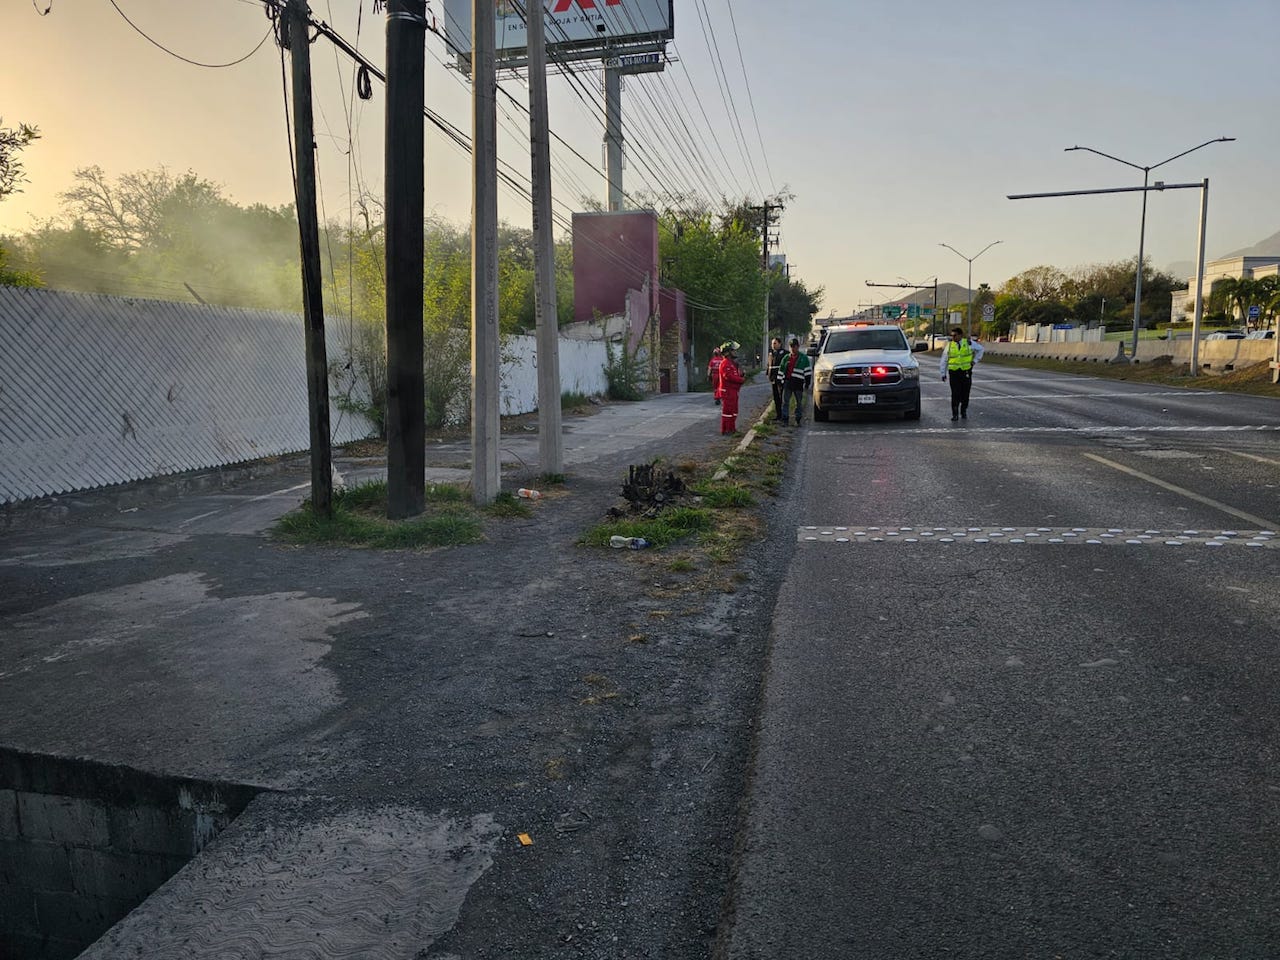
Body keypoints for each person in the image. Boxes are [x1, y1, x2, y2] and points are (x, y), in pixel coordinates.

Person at [939, 325, 985, 420]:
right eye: (952, 336)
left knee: (965, 393)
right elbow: (944, 360)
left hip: (966, 372)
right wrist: (943, 373)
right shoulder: (950, 345)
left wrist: (975, 361)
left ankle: (963, 410)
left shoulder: (968, 343)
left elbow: (980, 350)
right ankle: (955, 414)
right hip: (954, 373)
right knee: (955, 393)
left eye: (955, 335)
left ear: (960, 335)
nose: (953, 337)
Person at [777, 337, 811, 426]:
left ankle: (798, 419)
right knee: (785, 402)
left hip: (798, 383)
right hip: (788, 383)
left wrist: (807, 383)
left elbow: (807, 372)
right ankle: (785, 419)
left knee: (798, 403)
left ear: (798, 347)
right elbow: (781, 370)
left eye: (794, 346)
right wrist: (779, 382)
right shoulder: (786, 358)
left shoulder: (804, 358)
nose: (792, 348)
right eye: (791, 346)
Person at [718, 345, 745, 434]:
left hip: (732, 391)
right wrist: (740, 380)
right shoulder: (725, 363)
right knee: (728, 411)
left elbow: (733, 375)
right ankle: (726, 430)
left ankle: (732, 428)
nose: (735, 352)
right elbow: (728, 376)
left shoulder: (730, 363)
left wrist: (741, 376)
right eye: (733, 351)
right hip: (728, 391)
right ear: (728, 353)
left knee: (733, 411)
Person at [766, 336, 786, 422]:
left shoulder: (784, 353)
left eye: (775, 343)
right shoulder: (771, 354)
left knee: (782, 397)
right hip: (773, 378)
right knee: (776, 397)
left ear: (779, 344)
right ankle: (778, 415)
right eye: (772, 343)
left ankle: (783, 415)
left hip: (781, 378)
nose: (773, 345)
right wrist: (768, 373)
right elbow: (769, 365)